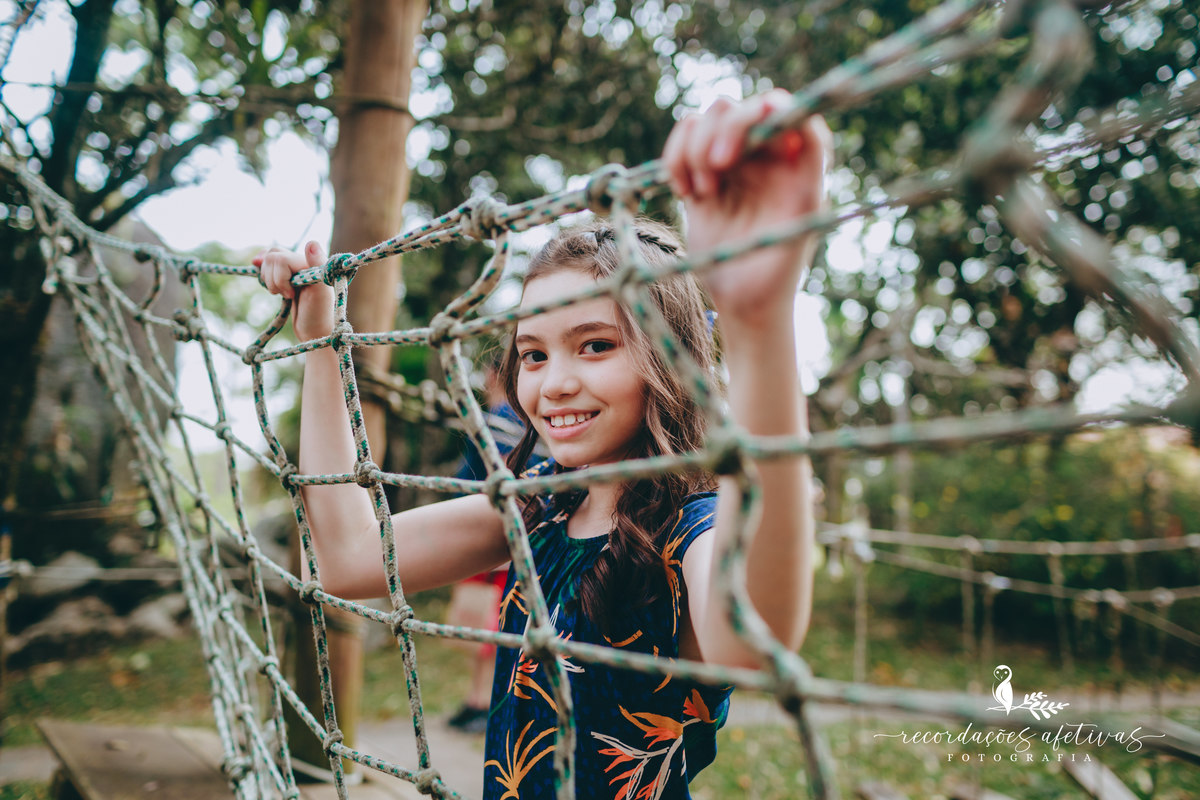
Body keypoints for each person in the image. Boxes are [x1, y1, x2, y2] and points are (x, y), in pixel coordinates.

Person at [256, 91, 830, 800]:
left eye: (595, 345)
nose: (553, 383)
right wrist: (320, 345)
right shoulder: (535, 515)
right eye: (532, 354)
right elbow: (346, 558)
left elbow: (755, 635)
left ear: (675, 360)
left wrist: (760, 319)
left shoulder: (690, 532)